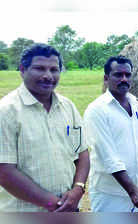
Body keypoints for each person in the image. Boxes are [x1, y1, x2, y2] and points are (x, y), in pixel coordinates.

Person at [0, 43, 90, 212]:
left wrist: (78, 188)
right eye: (39, 69)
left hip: (67, 210)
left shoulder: (67, 106)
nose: (48, 76)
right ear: (22, 69)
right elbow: (5, 172)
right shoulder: (6, 111)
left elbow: (82, 153)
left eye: (54, 70)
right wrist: (53, 204)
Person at [84, 55, 138, 212]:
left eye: (127, 75)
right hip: (110, 194)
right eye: (118, 75)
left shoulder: (137, 106)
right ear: (106, 78)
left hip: (137, 193)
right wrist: (133, 191)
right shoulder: (97, 110)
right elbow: (107, 156)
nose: (124, 79)